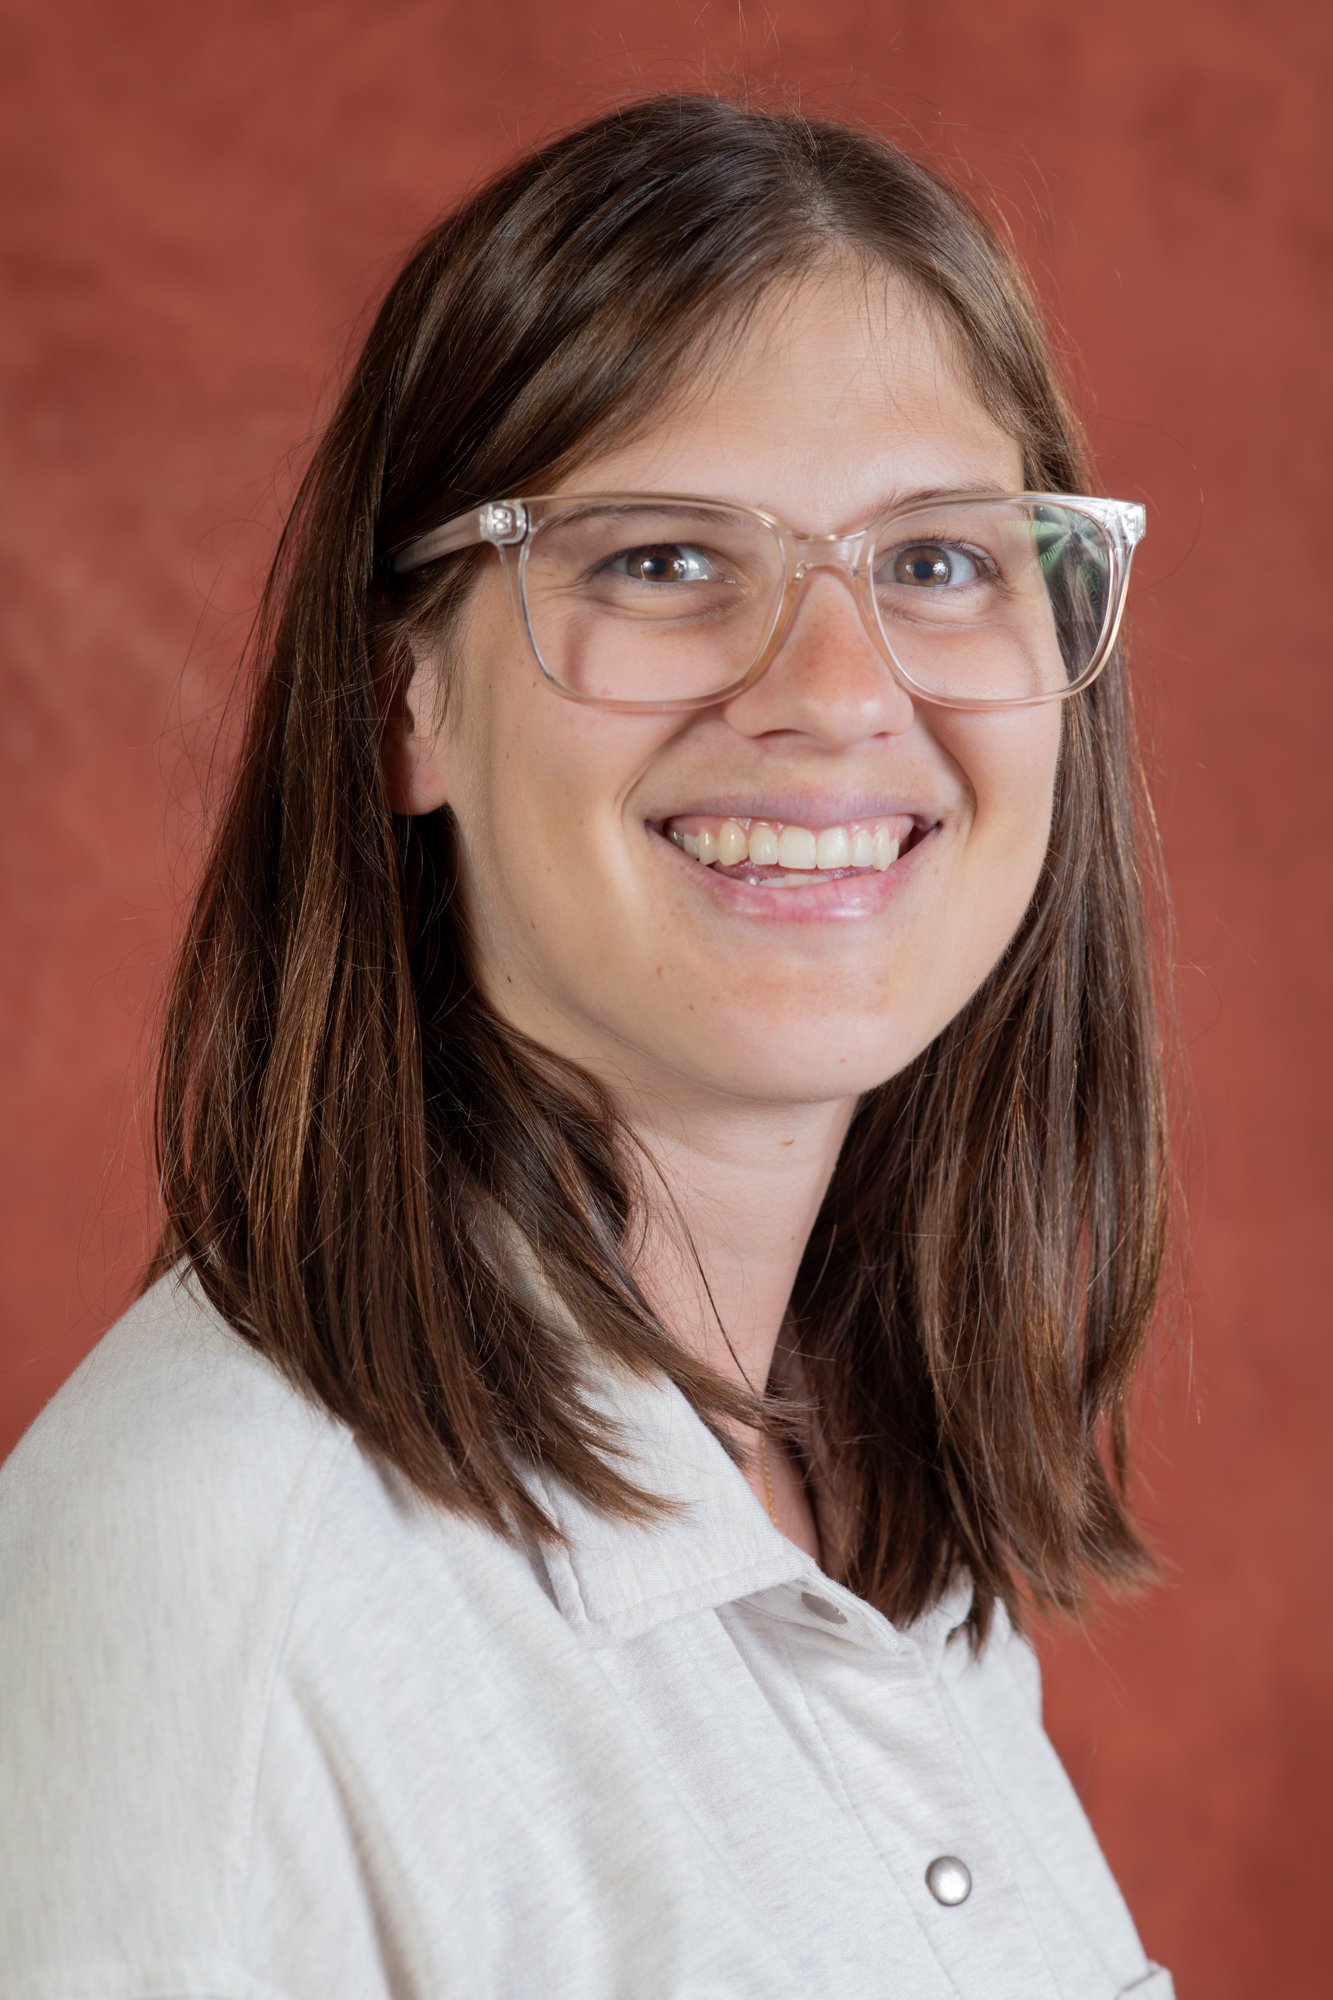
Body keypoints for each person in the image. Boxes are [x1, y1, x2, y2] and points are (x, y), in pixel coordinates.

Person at [0, 92, 1177, 1998]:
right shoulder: (220, 1579)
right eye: (655, 557)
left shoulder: (863, 1508)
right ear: (405, 708)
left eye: (938, 561)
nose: (832, 692)